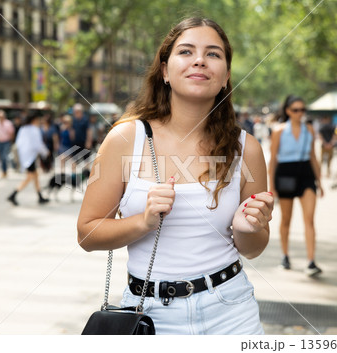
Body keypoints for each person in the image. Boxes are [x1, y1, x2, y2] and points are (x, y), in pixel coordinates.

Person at [77, 17, 274, 335]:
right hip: (149, 316)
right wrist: (144, 221)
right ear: (165, 71)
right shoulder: (126, 138)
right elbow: (86, 234)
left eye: (213, 54)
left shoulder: (246, 148)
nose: (200, 59)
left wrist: (248, 227)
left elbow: (253, 248)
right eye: (186, 51)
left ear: (225, 77)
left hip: (231, 311)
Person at [269, 95, 324, 277]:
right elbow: (273, 159)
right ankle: (285, 255)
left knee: (309, 219)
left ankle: (311, 261)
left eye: (302, 110)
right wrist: (272, 186)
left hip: (306, 174)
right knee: (286, 219)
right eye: (295, 110)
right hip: (285, 173)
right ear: (288, 111)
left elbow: (314, 157)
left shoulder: (309, 129)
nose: (299, 113)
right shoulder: (278, 131)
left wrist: (320, 182)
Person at [7, 112, 50, 206]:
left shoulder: (23, 129)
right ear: (34, 120)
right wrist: (45, 152)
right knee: (30, 177)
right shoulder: (34, 130)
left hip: (25, 157)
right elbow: (37, 144)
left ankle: (40, 196)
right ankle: (13, 194)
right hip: (30, 157)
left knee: (35, 176)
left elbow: (19, 143)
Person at [0, 110, 15, 178]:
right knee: (1, 157)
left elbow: (11, 133)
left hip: (6, 142)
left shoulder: (8, 123)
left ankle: (5, 170)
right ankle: (3, 171)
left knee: (4, 156)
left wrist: (11, 142)